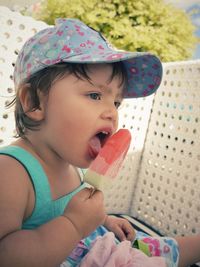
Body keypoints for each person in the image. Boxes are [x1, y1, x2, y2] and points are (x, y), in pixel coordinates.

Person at [0, 18, 199, 267]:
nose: (112, 113)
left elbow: (76, 208)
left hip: (99, 243)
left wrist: (104, 220)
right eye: (94, 95)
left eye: (116, 102)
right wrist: (73, 224)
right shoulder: (11, 172)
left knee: (158, 248)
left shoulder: (71, 162)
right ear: (34, 103)